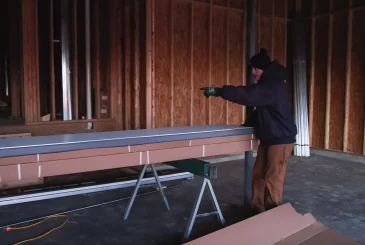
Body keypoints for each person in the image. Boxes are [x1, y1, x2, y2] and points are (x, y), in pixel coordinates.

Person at [200, 48, 297, 215]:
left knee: (273, 179)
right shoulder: (267, 85)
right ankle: (256, 209)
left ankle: (273, 214)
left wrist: (220, 91)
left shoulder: (273, 86)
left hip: (281, 139)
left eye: (255, 68)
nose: (253, 72)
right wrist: (246, 124)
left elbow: (249, 95)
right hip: (269, 138)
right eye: (252, 69)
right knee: (258, 175)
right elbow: (262, 110)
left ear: (264, 68)